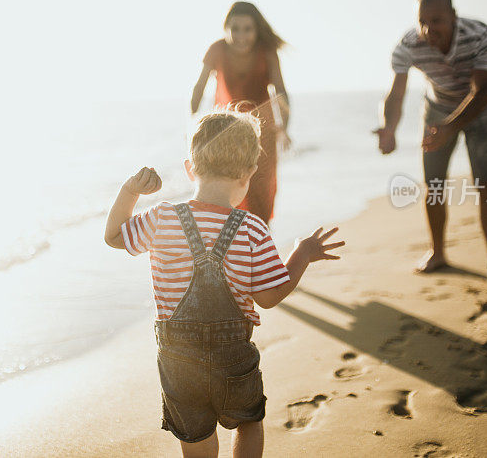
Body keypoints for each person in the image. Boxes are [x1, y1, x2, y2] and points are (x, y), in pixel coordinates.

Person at [104, 111, 343, 458]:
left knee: (196, 433)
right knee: (248, 421)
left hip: (178, 360)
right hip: (233, 357)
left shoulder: (161, 218)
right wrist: (302, 254)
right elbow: (269, 296)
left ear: (190, 168)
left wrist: (129, 191)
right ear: (248, 174)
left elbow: (113, 236)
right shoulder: (252, 229)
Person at [374, 0, 487, 291]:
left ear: (453, 17)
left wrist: (450, 127)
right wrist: (389, 128)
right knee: (433, 184)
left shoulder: (482, 36)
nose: (428, 29)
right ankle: (438, 252)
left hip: (484, 108)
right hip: (438, 106)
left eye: (436, 21)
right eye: (422, 21)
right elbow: (395, 94)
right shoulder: (408, 45)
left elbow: (482, 92)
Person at [190, 1, 291, 225]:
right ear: (226, 28)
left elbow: (281, 92)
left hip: (262, 134)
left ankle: (259, 245)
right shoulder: (217, 49)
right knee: (226, 188)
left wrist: (285, 126)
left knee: (262, 193)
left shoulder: (267, 52)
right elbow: (199, 88)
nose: (240, 35)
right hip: (225, 130)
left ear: (256, 30)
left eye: (247, 29)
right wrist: (192, 126)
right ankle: (229, 248)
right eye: (235, 29)